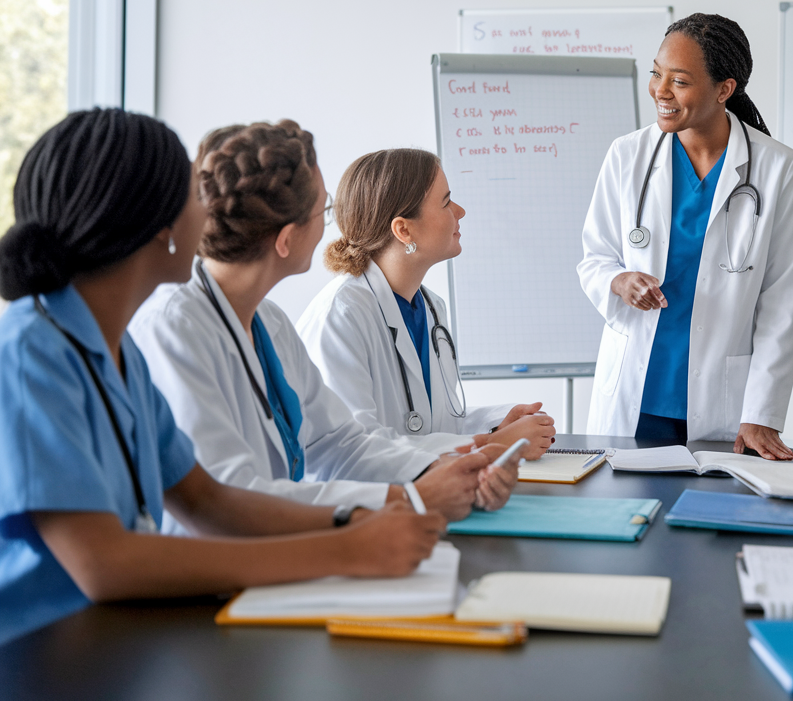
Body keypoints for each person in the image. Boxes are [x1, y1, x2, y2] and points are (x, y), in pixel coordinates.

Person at [0, 109, 446, 645]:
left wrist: (353, 519)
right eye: (195, 194)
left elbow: (209, 501)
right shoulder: (31, 354)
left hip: (115, 641)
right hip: (44, 659)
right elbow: (103, 563)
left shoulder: (117, 354)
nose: (211, 210)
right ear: (157, 228)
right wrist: (346, 549)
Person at [131, 121, 517, 522]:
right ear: (285, 240)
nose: (332, 226)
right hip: (217, 567)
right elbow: (228, 495)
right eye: (324, 210)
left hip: (281, 545)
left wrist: (446, 474)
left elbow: (339, 444)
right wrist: (410, 500)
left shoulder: (269, 321)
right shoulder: (173, 329)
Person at [579, 13, 793, 457]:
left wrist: (762, 412)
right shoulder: (628, 156)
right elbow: (595, 258)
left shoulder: (778, 169)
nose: (660, 91)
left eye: (679, 81)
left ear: (725, 89)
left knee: (709, 522)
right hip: (635, 393)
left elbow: (783, 299)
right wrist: (619, 280)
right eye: (656, 73)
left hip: (720, 402)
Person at [298, 148, 555, 456]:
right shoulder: (341, 316)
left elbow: (430, 426)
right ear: (404, 229)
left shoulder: (430, 306)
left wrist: (497, 425)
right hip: (364, 500)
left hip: (428, 491)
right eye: (446, 202)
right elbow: (353, 449)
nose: (459, 211)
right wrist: (494, 445)